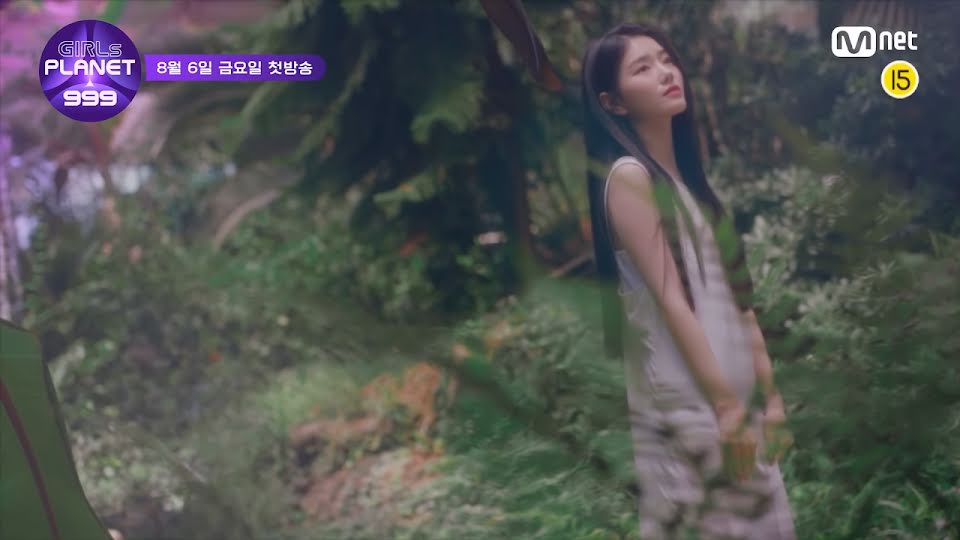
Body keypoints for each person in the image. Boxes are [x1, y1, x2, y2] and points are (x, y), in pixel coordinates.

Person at [581, 22, 797, 539]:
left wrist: (769, 398)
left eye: (666, 59)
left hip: (732, 397)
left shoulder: (690, 187)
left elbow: (740, 304)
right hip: (691, 404)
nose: (665, 72)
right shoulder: (629, 178)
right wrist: (724, 409)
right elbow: (671, 300)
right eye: (643, 67)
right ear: (613, 103)